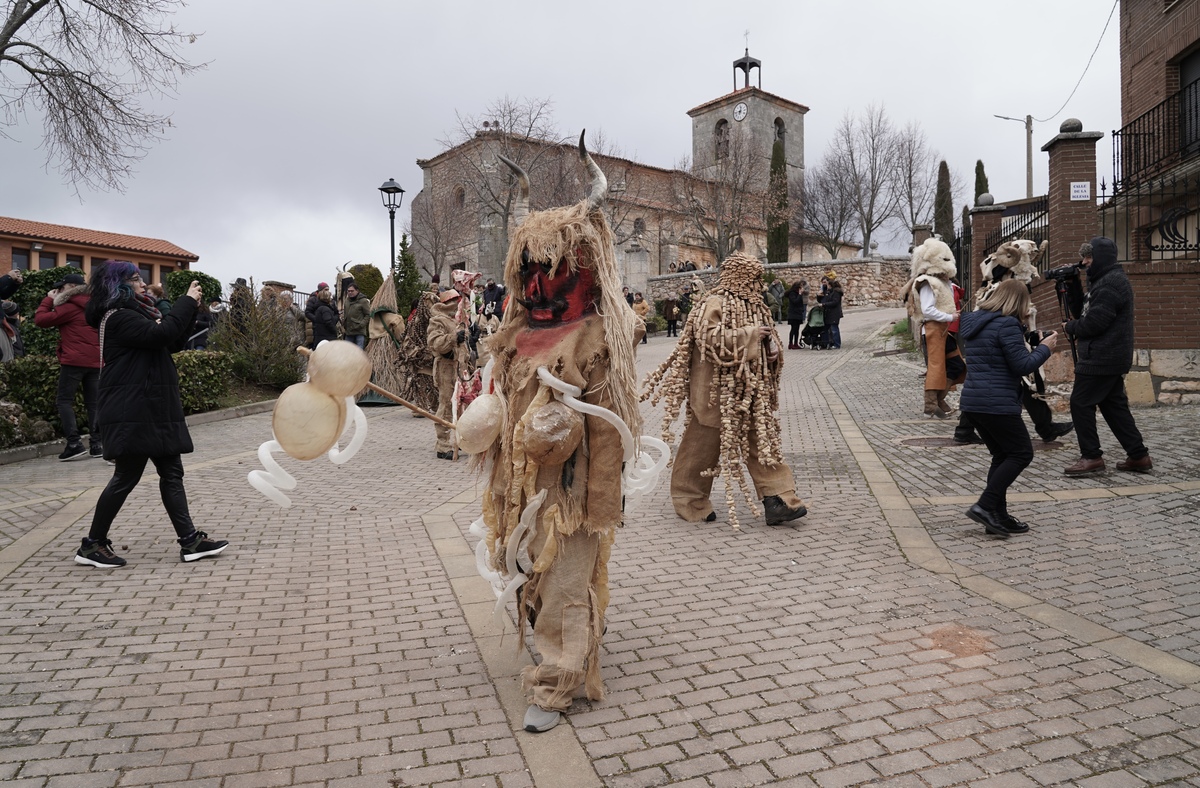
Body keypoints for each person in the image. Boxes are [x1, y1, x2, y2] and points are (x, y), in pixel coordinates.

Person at [476, 142, 642, 733]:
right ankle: (559, 642)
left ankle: (558, 682)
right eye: (528, 269)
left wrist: (598, 494)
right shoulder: (512, 336)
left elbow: (611, 427)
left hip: (571, 497)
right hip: (523, 493)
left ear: (582, 267)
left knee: (568, 577)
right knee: (529, 573)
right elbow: (499, 410)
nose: (539, 285)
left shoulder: (598, 339)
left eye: (553, 269)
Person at [75, 262, 229, 568]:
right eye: (135, 279)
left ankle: (190, 541)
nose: (143, 284)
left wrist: (191, 309)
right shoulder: (118, 317)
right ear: (117, 285)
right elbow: (162, 335)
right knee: (125, 476)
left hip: (149, 408)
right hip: (133, 409)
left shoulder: (134, 314)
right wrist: (184, 301)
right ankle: (92, 544)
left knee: (171, 472)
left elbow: (170, 341)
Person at [644, 252, 808, 530]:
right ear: (740, 276)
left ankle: (778, 499)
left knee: (762, 444)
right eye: (754, 277)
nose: (759, 283)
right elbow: (708, 337)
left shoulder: (756, 306)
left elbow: (764, 339)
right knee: (701, 446)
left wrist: (771, 352)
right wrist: (752, 335)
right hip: (713, 392)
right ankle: (689, 498)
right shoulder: (714, 302)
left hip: (749, 394)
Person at [958, 280, 1058, 537]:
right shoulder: (1007, 325)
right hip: (997, 403)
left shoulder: (977, 322)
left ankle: (997, 516)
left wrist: (1027, 337)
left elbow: (997, 350)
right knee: (1021, 454)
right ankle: (984, 506)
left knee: (1002, 456)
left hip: (974, 402)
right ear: (1019, 302)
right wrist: (1045, 349)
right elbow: (1022, 366)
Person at [1062, 237, 1153, 476]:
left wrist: (1070, 328)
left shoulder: (1110, 284)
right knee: (1114, 407)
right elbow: (1082, 310)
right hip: (1107, 356)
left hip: (1102, 357)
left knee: (1080, 403)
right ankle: (1138, 455)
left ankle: (1091, 457)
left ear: (1100, 258)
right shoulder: (1102, 282)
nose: (1084, 262)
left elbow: (1094, 323)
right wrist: (1072, 285)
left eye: (1088, 257)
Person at [34, 272, 102, 460]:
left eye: (61, 287)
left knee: (64, 401)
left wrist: (48, 300)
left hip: (74, 361)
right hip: (96, 360)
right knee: (94, 403)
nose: (58, 291)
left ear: (71, 288)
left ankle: (74, 443)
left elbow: (41, 320)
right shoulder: (95, 305)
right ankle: (97, 444)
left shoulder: (69, 307)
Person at [907, 240, 964, 418]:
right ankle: (931, 405)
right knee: (936, 367)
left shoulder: (942, 282)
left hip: (943, 330)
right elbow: (928, 310)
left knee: (957, 365)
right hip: (934, 330)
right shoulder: (927, 282)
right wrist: (950, 317)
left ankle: (938, 400)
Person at [426, 270, 479, 459]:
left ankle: (457, 440)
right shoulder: (437, 320)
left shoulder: (459, 320)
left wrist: (472, 338)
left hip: (460, 368)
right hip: (445, 367)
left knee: (460, 405)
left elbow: (464, 343)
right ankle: (442, 444)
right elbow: (435, 343)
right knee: (446, 405)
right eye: (456, 301)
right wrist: (452, 338)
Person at [341, 280, 371, 349]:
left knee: (359, 351)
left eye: (352, 291)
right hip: (349, 332)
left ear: (357, 291)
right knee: (347, 350)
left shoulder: (363, 301)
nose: (350, 293)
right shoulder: (347, 301)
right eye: (348, 291)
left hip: (359, 332)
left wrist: (361, 324)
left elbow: (368, 315)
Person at [819, 272, 844, 349]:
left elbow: (834, 302)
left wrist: (824, 304)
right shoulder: (830, 292)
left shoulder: (836, 292)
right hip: (829, 313)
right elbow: (826, 299)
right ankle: (827, 342)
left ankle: (837, 344)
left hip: (834, 313)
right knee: (827, 329)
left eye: (828, 285)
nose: (827, 286)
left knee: (834, 329)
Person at [784, 280, 808, 349]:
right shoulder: (792, 293)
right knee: (793, 329)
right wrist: (800, 294)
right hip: (793, 314)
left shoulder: (798, 293)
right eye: (801, 287)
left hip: (798, 313)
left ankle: (796, 343)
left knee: (797, 329)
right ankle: (790, 343)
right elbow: (795, 301)